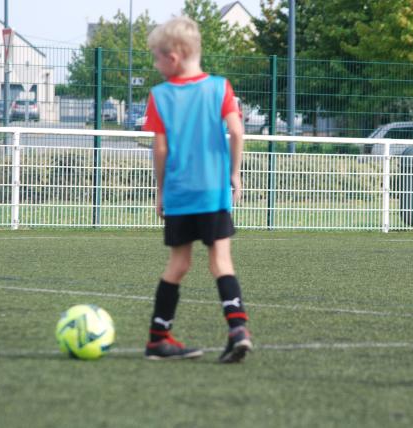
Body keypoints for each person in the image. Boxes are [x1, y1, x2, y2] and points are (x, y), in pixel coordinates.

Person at [142, 16, 251, 363]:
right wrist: (234, 174)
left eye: (157, 58)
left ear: (173, 57)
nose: (157, 66)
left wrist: (160, 192)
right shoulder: (220, 88)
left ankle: (158, 338)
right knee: (221, 262)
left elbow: (160, 149)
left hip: (179, 193)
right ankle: (238, 329)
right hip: (213, 192)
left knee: (178, 264)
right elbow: (236, 132)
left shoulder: (160, 96)